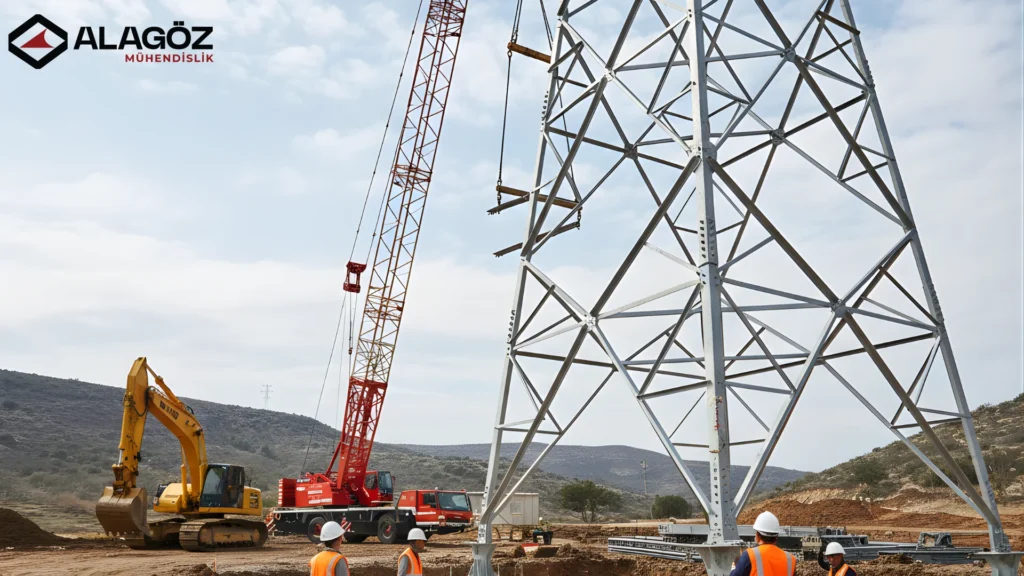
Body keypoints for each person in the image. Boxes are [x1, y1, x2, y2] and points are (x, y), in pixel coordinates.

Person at [729, 511, 796, 576]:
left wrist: (733, 568)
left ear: (758, 535)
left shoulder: (750, 555)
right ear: (776, 537)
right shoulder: (790, 559)